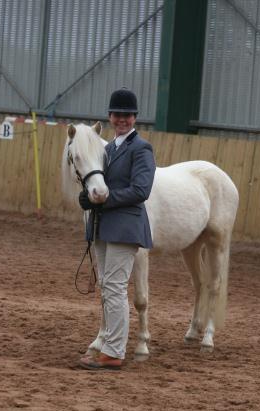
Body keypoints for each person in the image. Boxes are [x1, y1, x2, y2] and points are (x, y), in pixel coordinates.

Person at [78, 87, 156, 370]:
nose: (122, 119)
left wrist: (104, 199)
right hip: (103, 227)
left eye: (127, 115)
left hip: (125, 227)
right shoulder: (107, 149)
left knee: (114, 286)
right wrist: (87, 197)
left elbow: (141, 190)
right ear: (110, 116)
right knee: (107, 288)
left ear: (134, 118)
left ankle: (113, 351)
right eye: (117, 114)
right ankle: (110, 344)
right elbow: (97, 183)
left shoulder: (142, 148)